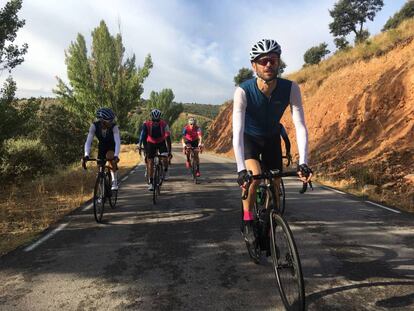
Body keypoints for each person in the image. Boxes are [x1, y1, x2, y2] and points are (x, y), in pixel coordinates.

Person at [232, 39, 313, 246]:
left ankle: (272, 224)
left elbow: (300, 126)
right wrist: (241, 169)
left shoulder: (291, 88)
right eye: (263, 60)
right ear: (254, 65)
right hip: (249, 138)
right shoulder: (243, 91)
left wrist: (303, 162)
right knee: (255, 178)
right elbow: (237, 131)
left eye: (273, 60)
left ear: (278, 63)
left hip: (271, 139)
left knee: (276, 182)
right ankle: (248, 219)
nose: (268, 64)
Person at [83, 107, 121, 190]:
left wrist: (116, 155)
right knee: (100, 168)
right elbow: (88, 141)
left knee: (110, 157)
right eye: (109, 120)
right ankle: (101, 192)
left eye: (112, 120)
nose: (112, 122)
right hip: (102, 146)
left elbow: (117, 141)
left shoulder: (114, 127)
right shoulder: (94, 126)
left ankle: (114, 181)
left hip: (112, 145)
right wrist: (86, 154)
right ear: (102, 121)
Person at [138, 108, 172, 191]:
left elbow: (168, 138)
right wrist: (140, 146)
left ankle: (165, 170)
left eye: (157, 120)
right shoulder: (146, 124)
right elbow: (143, 137)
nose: (156, 122)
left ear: (160, 119)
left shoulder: (164, 124)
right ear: (151, 118)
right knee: (150, 161)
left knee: (164, 158)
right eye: (154, 120)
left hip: (161, 142)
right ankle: (151, 182)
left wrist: (169, 151)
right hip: (150, 142)